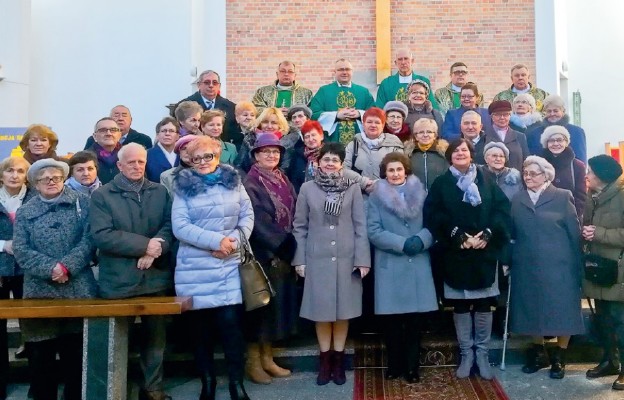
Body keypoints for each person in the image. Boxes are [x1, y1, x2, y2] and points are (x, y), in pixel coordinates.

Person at [90, 143, 174, 400]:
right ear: (119, 165)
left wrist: (154, 249)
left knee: (156, 340)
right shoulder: (103, 195)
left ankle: (152, 389)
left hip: (155, 276)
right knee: (118, 341)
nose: (137, 166)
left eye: (141, 162)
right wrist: (143, 246)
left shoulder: (160, 191)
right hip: (119, 279)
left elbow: (169, 224)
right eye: (131, 162)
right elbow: (102, 235)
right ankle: (117, 389)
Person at [171, 136, 253, 400]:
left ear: (218, 156)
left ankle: (236, 385)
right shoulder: (183, 187)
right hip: (195, 267)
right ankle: (208, 383)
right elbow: (180, 227)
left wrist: (233, 242)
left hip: (228, 262)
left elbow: (247, 215)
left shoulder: (234, 182)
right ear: (190, 162)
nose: (203, 162)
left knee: (232, 329)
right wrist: (216, 241)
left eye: (208, 157)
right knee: (201, 332)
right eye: (197, 158)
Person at [424, 138, 511, 381]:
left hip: (484, 250)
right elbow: (433, 213)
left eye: (464, 150)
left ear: (471, 154)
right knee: (460, 304)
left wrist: (489, 233)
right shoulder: (442, 183)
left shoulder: (486, 179)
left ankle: (481, 354)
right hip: (456, 252)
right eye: (456, 151)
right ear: (449, 156)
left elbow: (501, 210)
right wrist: (456, 235)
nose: (460, 153)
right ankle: (466, 355)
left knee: (484, 302)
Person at [14, 159, 96, 400]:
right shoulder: (24, 212)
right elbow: (20, 249)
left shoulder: (83, 203)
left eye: (56, 177)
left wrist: (67, 266)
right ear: (35, 184)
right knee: (41, 358)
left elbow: (90, 240)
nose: (51, 181)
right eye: (44, 179)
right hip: (40, 291)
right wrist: (51, 268)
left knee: (76, 357)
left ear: (64, 179)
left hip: (78, 287)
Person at [292, 142, 371, 386]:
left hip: (347, 258)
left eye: (335, 160)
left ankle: (339, 361)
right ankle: (324, 361)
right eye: (326, 159)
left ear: (341, 164)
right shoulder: (307, 188)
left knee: (342, 312)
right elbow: (300, 226)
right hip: (318, 259)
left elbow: (360, 226)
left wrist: (362, 259)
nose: (330, 163)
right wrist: (300, 260)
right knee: (322, 312)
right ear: (318, 162)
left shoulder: (352, 189)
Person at [510, 156, 584, 379]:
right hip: (527, 265)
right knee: (532, 308)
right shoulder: (518, 198)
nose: (528, 177)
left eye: (533, 173)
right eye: (526, 173)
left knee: (563, 309)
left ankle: (560, 357)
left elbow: (574, 232)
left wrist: (577, 264)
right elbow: (512, 232)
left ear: (546, 175)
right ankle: (538, 352)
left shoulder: (562, 196)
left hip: (560, 265)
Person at [367, 152, 437, 383]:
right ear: (384, 174)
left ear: (406, 171)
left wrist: (422, 239)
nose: (395, 174)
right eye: (390, 170)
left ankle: (412, 367)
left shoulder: (422, 194)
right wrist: (401, 243)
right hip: (392, 263)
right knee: (393, 323)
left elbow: (433, 224)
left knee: (415, 322)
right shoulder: (376, 197)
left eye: (399, 169)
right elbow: (374, 230)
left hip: (417, 261)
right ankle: (395, 364)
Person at [243, 133, 298, 385]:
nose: (271, 155)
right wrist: (282, 245)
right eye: (265, 151)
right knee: (259, 310)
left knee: (273, 311)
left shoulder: (282, 178)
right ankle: (253, 361)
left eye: (275, 152)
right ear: (256, 155)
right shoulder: (251, 182)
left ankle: (268, 358)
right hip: (263, 253)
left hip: (284, 252)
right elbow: (256, 220)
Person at [582, 155, 624, 390]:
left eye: (590, 171)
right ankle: (610, 361)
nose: (586, 175)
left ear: (602, 175)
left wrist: (598, 233)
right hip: (599, 268)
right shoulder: (592, 195)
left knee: (621, 321)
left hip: (619, 270)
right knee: (603, 320)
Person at [0, 157, 33, 400]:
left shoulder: (34, 198)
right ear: (1, 175)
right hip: (0, 270)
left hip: (28, 271)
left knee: (33, 328)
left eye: (20, 171)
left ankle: (37, 382)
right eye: (9, 171)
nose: (14, 175)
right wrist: (4, 244)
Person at [287, 120, 371, 194]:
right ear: (304, 141)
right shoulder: (297, 156)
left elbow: (344, 171)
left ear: (321, 136)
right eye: (307, 137)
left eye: (313, 135)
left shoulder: (332, 152)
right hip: (305, 197)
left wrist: (364, 182)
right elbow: (292, 179)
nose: (310, 139)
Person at [310, 58, 375, 145]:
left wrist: (359, 114)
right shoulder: (324, 91)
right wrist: (336, 115)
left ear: (352, 71)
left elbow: (374, 114)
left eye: (347, 69)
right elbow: (314, 114)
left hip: (360, 143)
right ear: (335, 72)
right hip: (332, 142)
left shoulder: (363, 92)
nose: (344, 72)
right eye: (340, 70)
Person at [176, 70, 238, 143]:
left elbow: (236, 136)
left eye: (215, 82)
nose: (211, 85)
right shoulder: (184, 106)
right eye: (207, 82)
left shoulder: (231, 107)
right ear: (199, 85)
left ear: (219, 86)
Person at [344, 107, 403, 182]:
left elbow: (399, 171)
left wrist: (379, 185)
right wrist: (364, 183)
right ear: (363, 124)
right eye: (369, 122)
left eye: (377, 122)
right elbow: (344, 170)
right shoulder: (353, 145)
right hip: (358, 191)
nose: (373, 125)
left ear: (383, 125)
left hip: (387, 191)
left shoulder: (394, 145)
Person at [540, 125, 587, 219]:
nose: (556, 143)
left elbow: (581, 196)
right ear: (546, 143)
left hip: (569, 216)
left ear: (566, 142)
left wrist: (573, 216)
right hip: (543, 217)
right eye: (551, 140)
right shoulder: (539, 164)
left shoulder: (577, 166)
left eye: (560, 140)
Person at [527, 94, 587, 163]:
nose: (552, 114)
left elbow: (581, 161)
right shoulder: (535, 134)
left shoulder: (577, 132)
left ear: (563, 111)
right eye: (549, 111)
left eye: (556, 111)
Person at [235, 107, 292, 173]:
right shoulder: (249, 140)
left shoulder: (288, 143)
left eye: (274, 123)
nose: (269, 126)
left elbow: (286, 170)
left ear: (280, 125)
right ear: (260, 124)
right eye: (265, 122)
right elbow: (239, 166)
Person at [404, 118, 449, 191]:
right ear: (416, 136)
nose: (425, 135)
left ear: (435, 136)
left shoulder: (445, 153)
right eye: (421, 132)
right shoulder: (408, 154)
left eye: (429, 132)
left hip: (439, 197)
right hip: (415, 198)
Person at [486, 100, 529, 171]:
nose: (502, 117)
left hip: (515, 180)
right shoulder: (484, 136)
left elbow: (526, 162)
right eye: (498, 114)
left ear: (510, 116)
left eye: (506, 114)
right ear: (491, 116)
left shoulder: (520, 137)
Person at [84, 105, 153, 150]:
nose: (120, 118)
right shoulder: (94, 139)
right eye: (116, 115)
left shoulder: (143, 140)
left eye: (124, 115)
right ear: (109, 119)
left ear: (131, 120)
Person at [86, 117, 122, 184]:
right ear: (94, 136)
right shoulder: (84, 158)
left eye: (113, 130)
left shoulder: (129, 157)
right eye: (103, 130)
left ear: (119, 135)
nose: (108, 133)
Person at [146, 117, 180, 183]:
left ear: (178, 136)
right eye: (163, 131)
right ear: (157, 135)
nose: (167, 134)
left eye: (171, 131)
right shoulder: (147, 155)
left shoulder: (183, 155)